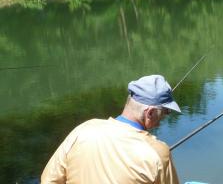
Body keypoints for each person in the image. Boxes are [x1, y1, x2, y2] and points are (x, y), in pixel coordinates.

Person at [41, 75, 182, 184]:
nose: (162, 120)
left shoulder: (83, 130)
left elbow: (48, 179)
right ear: (149, 112)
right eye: (165, 113)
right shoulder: (157, 152)